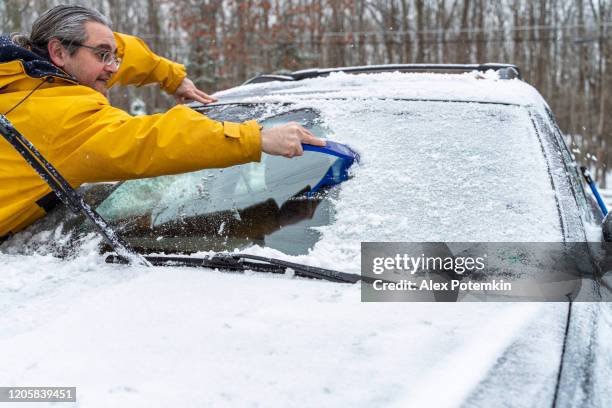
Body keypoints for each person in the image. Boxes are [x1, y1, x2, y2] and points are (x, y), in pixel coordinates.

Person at [0, 5, 324, 240]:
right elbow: (151, 141)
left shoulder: (25, 74)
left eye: (113, 56)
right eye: (103, 56)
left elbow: (118, 52)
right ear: (57, 51)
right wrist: (255, 138)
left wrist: (169, 76)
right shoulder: (60, 117)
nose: (113, 67)